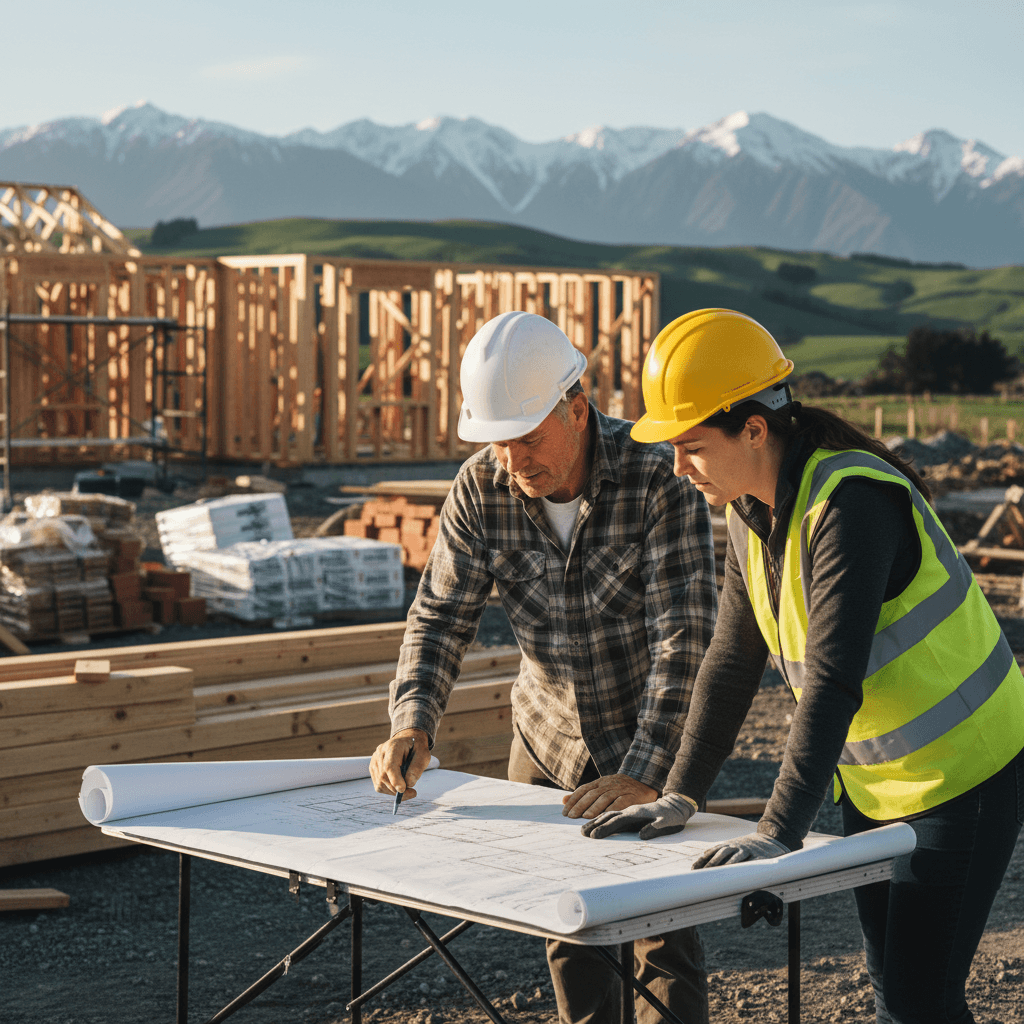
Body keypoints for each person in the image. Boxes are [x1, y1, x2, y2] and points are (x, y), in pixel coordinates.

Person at [583, 307, 1024, 1024]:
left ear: (753, 428)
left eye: (690, 446)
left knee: (920, 1001)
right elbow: (730, 662)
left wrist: (778, 833)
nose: (678, 468)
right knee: (900, 996)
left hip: (965, 772)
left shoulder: (852, 504)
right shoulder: (746, 510)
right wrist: (681, 792)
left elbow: (832, 681)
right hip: (882, 781)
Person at [369, 310, 718, 1024]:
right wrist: (413, 721)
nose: (511, 461)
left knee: (663, 936)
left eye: (527, 438)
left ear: (578, 410)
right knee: (568, 927)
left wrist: (648, 770)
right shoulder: (480, 489)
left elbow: (687, 636)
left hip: (647, 729)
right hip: (548, 737)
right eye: (498, 442)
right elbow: (439, 616)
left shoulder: (658, 477)